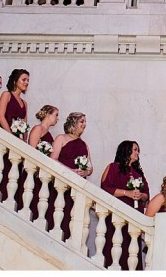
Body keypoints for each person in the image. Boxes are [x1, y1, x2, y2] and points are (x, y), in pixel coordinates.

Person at [100, 140, 150, 269]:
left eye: (138, 150)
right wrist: (126, 193)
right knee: (116, 246)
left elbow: (146, 194)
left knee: (132, 249)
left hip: (134, 218)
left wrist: (141, 196)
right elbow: (105, 188)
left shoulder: (138, 173)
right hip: (117, 215)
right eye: (135, 149)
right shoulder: (113, 167)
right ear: (126, 150)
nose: (137, 152)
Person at [52, 112, 91, 241]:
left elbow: (90, 167)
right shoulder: (61, 138)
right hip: (62, 183)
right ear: (73, 123)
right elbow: (53, 159)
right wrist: (70, 171)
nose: (84, 125)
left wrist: (85, 172)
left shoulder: (84, 144)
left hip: (77, 187)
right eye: (82, 122)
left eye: (85, 122)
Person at [0, 68, 29, 136]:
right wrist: (11, 137)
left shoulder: (25, 103)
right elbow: (0, 117)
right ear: (15, 81)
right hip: (5, 135)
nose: (26, 82)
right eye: (24, 80)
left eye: (28, 80)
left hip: (18, 138)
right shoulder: (6, 94)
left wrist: (24, 139)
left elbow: (25, 124)